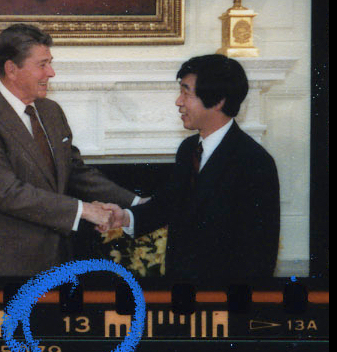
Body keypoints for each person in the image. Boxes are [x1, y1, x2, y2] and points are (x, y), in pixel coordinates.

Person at [0, 24, 143, 277]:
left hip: (58, 262)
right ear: (12, 69)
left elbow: (75, 171)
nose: (51, 73)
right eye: (42, 64)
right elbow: (8, 193)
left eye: (50, 63)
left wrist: (137, 203)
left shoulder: (50, 111)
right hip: (6, 267)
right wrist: (84, 210)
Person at [100, 54, 281, 280]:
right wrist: (125, 217)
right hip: (181, 290)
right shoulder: (188, 150)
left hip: (220, 299)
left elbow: (260, 254)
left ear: (218, 101)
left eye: (186, 93)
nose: (179, 101)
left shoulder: (254, 162)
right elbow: (170, 202)